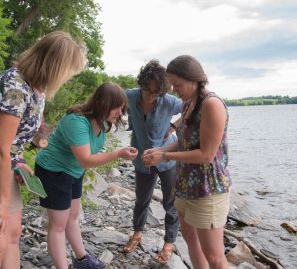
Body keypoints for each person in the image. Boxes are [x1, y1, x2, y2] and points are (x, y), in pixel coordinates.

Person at [0, 31, 86, 269]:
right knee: (2, 236)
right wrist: (2, 199)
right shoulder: (15, 84)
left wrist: (17, 161)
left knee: (14, 233)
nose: (68, 78)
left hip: (9, 165)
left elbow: (15, 141)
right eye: (69, 71)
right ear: (56, 66)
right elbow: (1, 146)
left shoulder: (38, 90)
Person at [34, 81, 138, 269]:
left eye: (122, 108)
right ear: (102, 104)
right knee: (58, 225)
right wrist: (118, 154)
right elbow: (86, 160)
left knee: (72, 217)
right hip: (53, 171)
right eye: (116, 107)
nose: (119, 112)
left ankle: (82, 259)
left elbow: (83, 162)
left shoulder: (103, 122)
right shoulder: (76, 121)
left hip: (73, 171)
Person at [143, 55, 231, 269]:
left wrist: (164, 156)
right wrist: (160, 149)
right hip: (185, 186)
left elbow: (206, 155)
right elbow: (183, 142)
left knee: (216, 258)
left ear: (194, 79)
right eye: (172, 85)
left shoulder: (212, 104)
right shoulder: (188, 104)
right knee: (192, 241)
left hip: (208, 189)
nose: (174, 90)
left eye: (177, 85)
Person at [123, 60, 182, 264]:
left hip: (168, 159)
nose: (150, 95)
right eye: (146, 89)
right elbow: (111, 102)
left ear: (162, 91)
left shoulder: (170, 102)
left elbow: (194, 107)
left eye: (156, 91)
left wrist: (174, 125)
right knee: (141, 200)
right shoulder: (129, 96)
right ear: (141, 84)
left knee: (170, 203)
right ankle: (137, 233)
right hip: (142, 160)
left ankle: (169, 243)